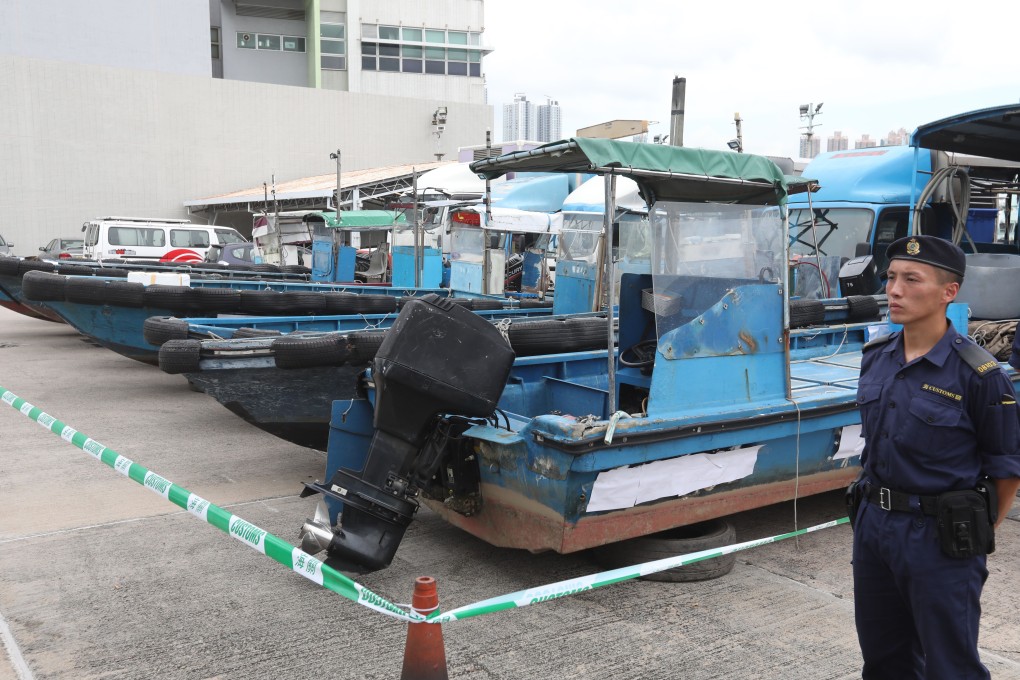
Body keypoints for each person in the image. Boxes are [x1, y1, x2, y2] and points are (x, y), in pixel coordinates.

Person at [852, 235, 1020, 679]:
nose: (894, 290)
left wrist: (971, 535)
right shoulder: (877, 359)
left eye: (912, 279)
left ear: (950, 291)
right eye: (890, 278)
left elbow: (1006, 470)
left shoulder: (978, 375)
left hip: (940, 538)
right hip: (874, 527)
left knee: (951, 666)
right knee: (884, 658)